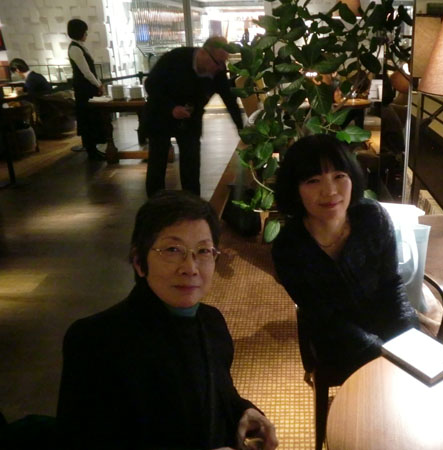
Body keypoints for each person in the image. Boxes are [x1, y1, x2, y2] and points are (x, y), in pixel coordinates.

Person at [57, 190, 278, 450]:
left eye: (203, 251)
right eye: (173, 250)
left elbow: (217, 394)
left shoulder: (212, 322)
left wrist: (243, 411)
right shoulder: (95, 341)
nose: (190, 268)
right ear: (139, 262)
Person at [271, 134, 419, 381]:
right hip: (336, 340)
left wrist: (407, 335)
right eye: (313, 180)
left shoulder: (372, 217)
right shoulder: (288, 248)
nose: (330, 191)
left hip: (387, 319)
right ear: (295, 190)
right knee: (383, 384)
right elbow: (325, 318)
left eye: (339, 176)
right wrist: (382, 353)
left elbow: (391, 284)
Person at [144, 37, 244, 198]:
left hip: (191, 119)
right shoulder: (175, 58)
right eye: (218, 62)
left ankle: (192, 204)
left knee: (191, 164)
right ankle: (155, 204)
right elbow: (151, 84)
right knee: (157, 162)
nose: (220, 67)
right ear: (203, 53)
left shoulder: (217, 71)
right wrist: (171, 108)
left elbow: (229, 99)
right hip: (160, 114)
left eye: (223, 62)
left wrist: (242, 130)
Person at [67, 18, 106, 161]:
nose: (86, 34)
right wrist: (98, 84)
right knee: (88, 119)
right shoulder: (75, 49)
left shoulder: (80, 47)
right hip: (84, 89)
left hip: (88, 87)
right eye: (85, 31)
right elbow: (86, 72)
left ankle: (94, 149)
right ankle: (91, 151)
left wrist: (98, 83)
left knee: (93, 118)